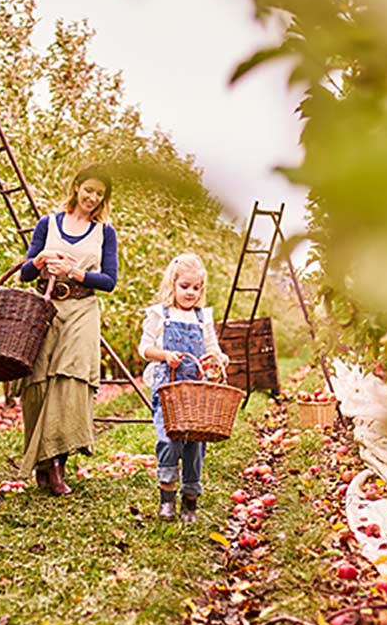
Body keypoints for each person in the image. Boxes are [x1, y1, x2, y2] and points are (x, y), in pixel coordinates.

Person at [17, 163, 117, 496]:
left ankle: (58, 465)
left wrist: (74, 272)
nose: (93, 197)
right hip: (45, 310)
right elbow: (25, 275)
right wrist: (42, 259)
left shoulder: (105, 232)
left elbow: (109, 281)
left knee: (69, 382)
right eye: (89, 190)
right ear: (76, 187)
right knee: (39, 384)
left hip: (82, 310)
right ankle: (43, 466)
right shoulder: (48, 224)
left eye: (99, 194)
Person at [139, 253, 229, 522]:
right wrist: (165, 355)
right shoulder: (160, 315)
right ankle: (166, 498)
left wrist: (218, 358)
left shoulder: (203, 318)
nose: (191, 293)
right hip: (168, 389)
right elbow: (145, 348)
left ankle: (190, 500)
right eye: (185, 286)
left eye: (196, 287)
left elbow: (212, 347)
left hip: (196, 393)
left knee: (195, 446)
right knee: (169, 440)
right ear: (173, 285)